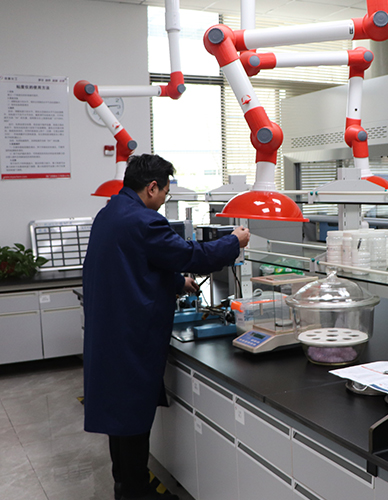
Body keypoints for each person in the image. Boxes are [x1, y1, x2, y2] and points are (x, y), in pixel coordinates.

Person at [82, 154, 250, 500]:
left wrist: (176, 282)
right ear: (152, 187)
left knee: (120, 422)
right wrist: (234, 241)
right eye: (164, 194)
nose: (163, 201)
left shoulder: (109, 213)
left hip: (110, 331)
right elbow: (192, 255)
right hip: (131, 336)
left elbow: (133, 263)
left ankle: (126, 486)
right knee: (132, 422)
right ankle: (135, 493)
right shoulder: (145, 221)